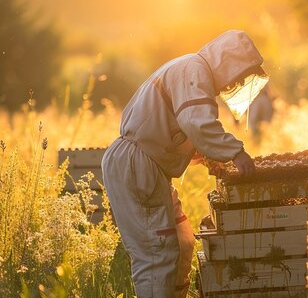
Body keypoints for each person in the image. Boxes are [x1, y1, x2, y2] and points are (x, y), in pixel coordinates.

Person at [101, 30, 269, 297]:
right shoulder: (195, 69)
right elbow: (196, 123)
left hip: (147, 165)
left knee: (181, 242)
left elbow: (175, 129)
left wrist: (206, 156)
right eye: (239, 76)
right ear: (230, 62)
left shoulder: (192, 70)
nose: (235, 84)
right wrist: (236, 152)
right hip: (138, 165)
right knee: (157, 252)